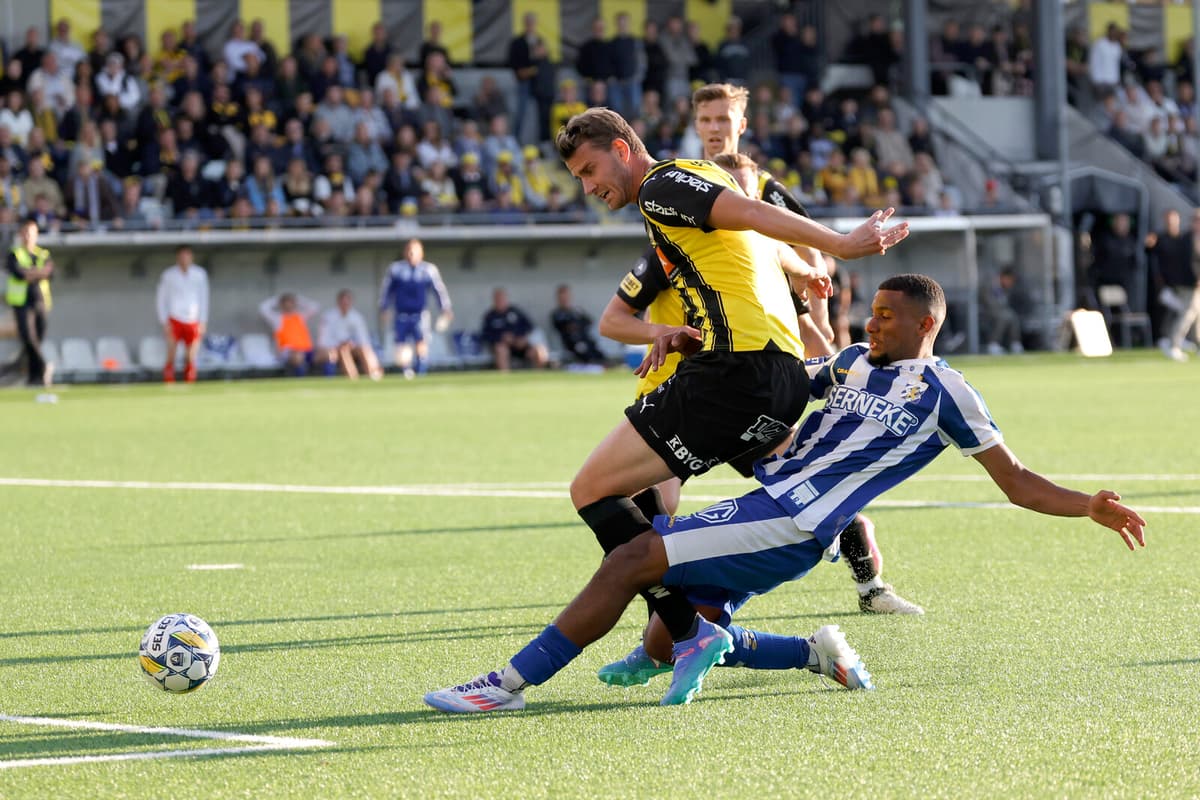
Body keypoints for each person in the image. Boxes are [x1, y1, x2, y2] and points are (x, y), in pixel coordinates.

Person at [424, 274, 1147, 713]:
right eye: (872, 312)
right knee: (666, 635)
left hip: (796, 521)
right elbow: (789, 384)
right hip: (768, 507)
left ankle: (507, 683)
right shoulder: (855, 361)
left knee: (630, 562)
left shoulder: (947, 392)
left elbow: (1015, 481)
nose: (871, 322)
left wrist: (1086, 504)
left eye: (887, 316)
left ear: (926, 324)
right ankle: (814, 654)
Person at [547, 106, 907, 698]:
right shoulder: (684, 193)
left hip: (734, 375)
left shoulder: (661, 185)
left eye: (590, 170)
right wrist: (673, 330)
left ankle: (690, 628)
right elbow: (755, 230)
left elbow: (753, 212)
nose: (588, 187)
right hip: (770, 377)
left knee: (597, 492)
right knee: (783, 499)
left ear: (621, 147)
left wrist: (840, 245)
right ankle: (712, 628)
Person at [598, 85, 920, 615]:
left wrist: (822, 316)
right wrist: (663, 333)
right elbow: (614, 318)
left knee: (804, 479)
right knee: (655, 505)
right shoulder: (673, 216)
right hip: (688, 383)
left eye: (723, 117)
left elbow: (780, 250)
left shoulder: (756, 213)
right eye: (705, 118)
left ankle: (868, 585)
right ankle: (670, 612)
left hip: (739, 375)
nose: (714, 126)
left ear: (743, 123)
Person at [378, 238, 452, 379]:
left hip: (420, 314)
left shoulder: (428, 270)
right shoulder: (396, 269)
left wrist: (445, 308)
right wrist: (384, 307)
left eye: (415, 251)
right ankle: (406, 371)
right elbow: (386, 290)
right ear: (405, 252)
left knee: (421, 342)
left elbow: (439, 290)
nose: (411, 254)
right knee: (401, 344)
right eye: (409, 251)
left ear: (421, 253)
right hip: (401, 314)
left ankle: (421, 371)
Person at [4, 217, 54, 387]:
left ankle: (35, 378)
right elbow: (18, 273)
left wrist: (31, 273)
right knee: (28, 337)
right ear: (20, 234)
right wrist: (36, 273)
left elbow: (49, 272)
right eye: (25, 232)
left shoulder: (43, 254)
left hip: (40, 300)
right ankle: (44, 366)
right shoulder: (15, 253)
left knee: (38, 338)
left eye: (31, 232)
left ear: (36, 234)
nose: (28, 236)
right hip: (21, 302)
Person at [1146, 208, 1200, 361]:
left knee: (1196, 314)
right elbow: (1185, 263)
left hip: (1195, 284)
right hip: (1187, 283)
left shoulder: (1193, 238)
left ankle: (1197, 344)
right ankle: (1174, 345)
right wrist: (1196, 278)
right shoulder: (1186, 239)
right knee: (1187, 314)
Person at [155, 245, 209, 383]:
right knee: (172, 350)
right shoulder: (168, 275)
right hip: (175, 317)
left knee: (191, 354)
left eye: (187, 255)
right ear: (178, 257)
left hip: (193, 318)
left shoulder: (200, 274)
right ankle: (169, 376)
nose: (185, 258)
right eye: (182, 255)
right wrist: (164, 320)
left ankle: (189, 377)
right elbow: (161, 299)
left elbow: (204, 298)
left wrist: (203, 320)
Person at [316, 289, 383, 380]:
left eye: (347, 301)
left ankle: (375, 374)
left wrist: (352, 344)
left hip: (351, 347)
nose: (345, 304)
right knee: (343, 350)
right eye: (343, 302)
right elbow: (323, 340)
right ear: (338, 302)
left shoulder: (357, 317)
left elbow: (363, 339)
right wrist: (339, 345)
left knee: (364, 349)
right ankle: (352, 377)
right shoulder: (328, 317)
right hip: (331, 349)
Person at [481, 287, 548, 371]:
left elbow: (530, 327)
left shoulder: (515, 312)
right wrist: (501, 338)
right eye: (498, 299)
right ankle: (505, 378)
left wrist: (523, 338)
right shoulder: (490, 316)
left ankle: (539, 376)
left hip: (520, 345)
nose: (500, 301)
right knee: (501, 350)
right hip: (504, 347)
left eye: (502, 298)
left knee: (539, 350)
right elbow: (486, 336)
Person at [259, 291, 318, 376]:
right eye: (286, 303)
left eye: (291, 303)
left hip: (306, 349)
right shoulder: (277, 319)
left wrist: (298, 299)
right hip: (287, 351)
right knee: (298, 357)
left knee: (328, 355)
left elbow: (315, 306)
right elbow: (263, 308)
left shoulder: (300, 316)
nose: (288, 306)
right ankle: (301, 379)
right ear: (282, 305)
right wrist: (277, 299)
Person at [550, 283, 604, 367]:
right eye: (562, 297)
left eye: (566, 296)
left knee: (597, 351)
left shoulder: (577, 310)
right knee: (582, 349)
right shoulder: (557, 314)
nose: (565, 299)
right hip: (571, 343)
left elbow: (589, 321)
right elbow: (562, 327)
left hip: (585, 339)